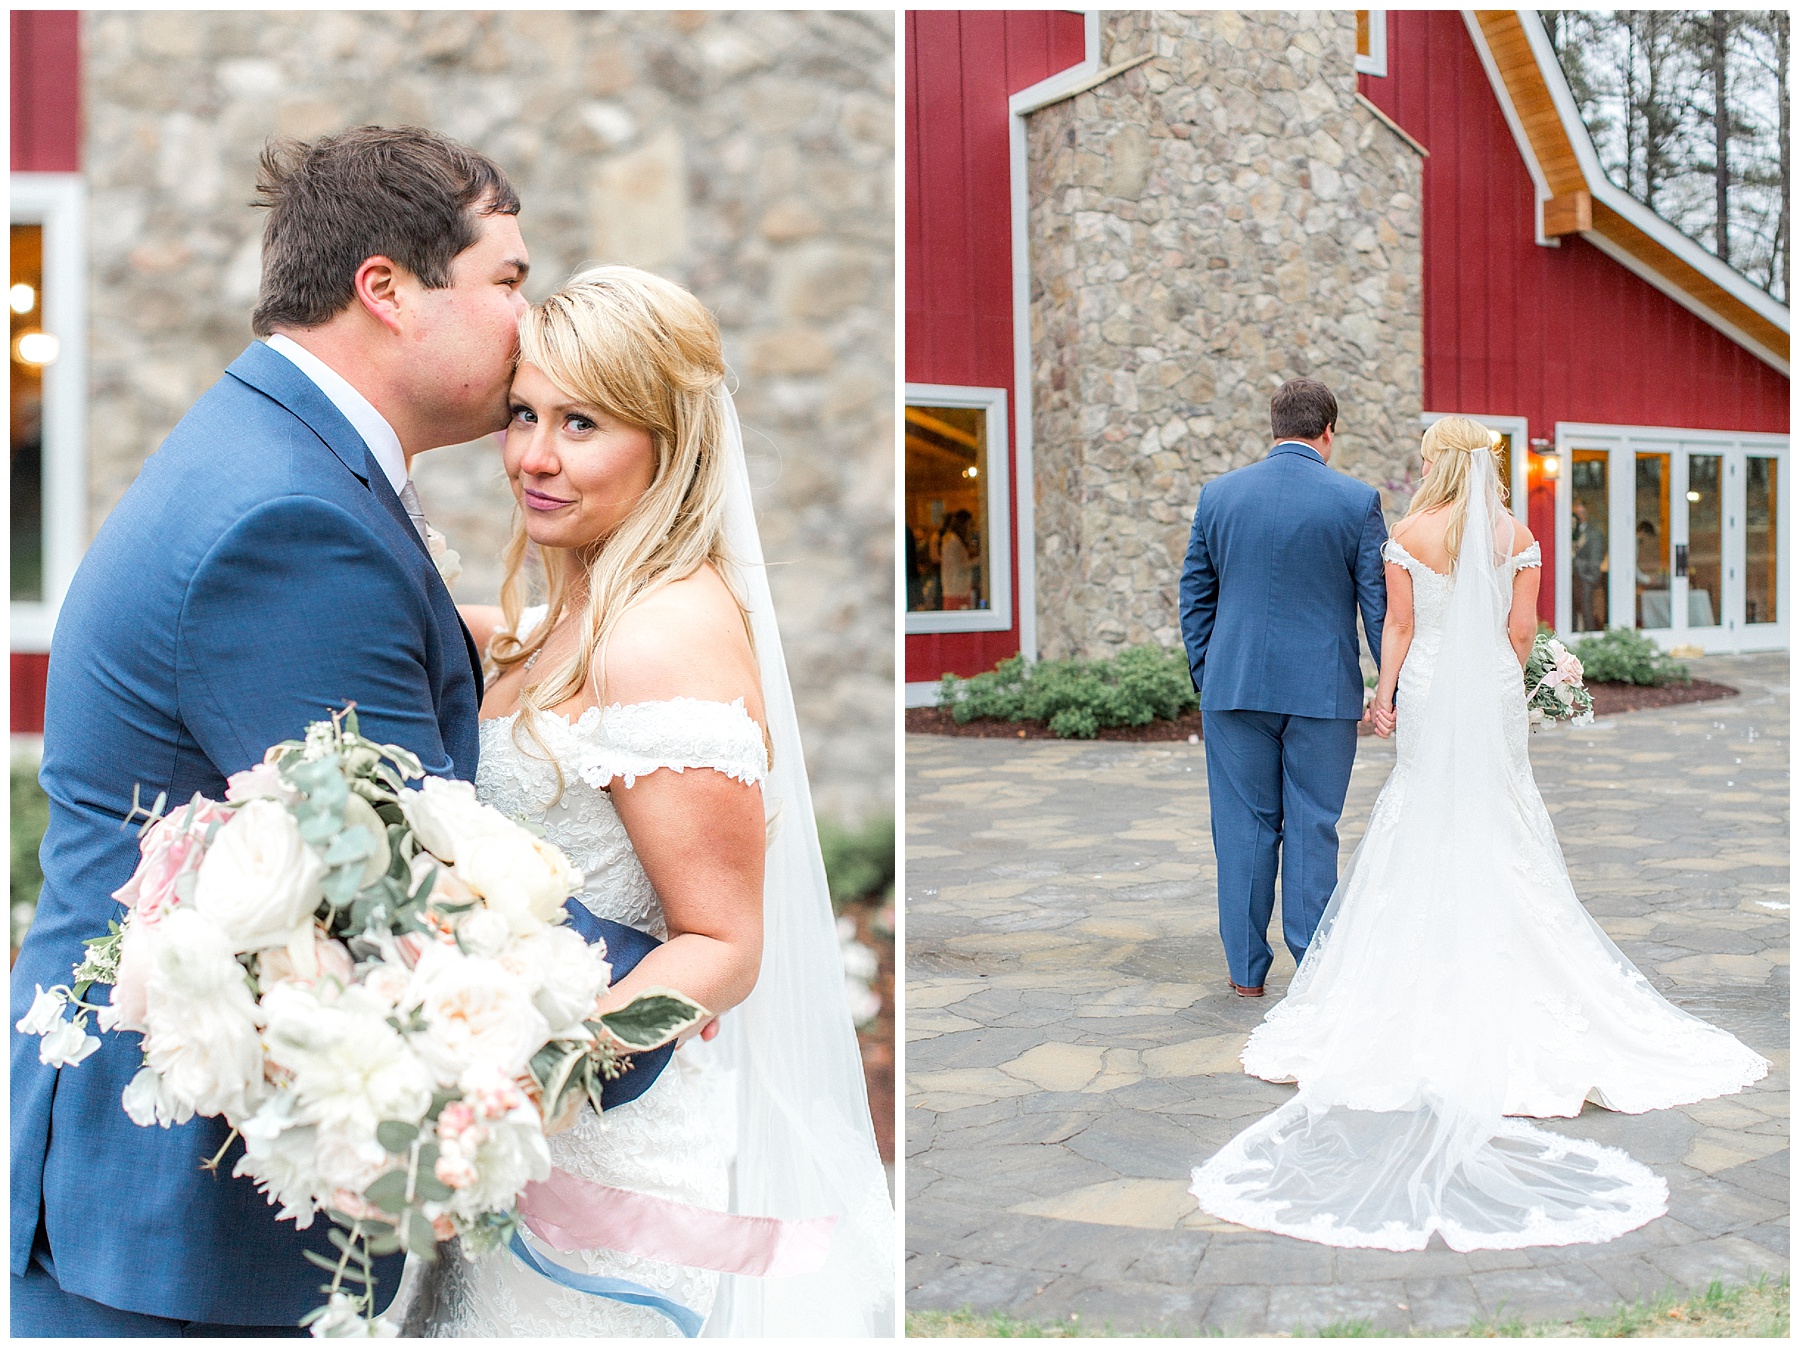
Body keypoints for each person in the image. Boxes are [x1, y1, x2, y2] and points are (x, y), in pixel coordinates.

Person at [11, 127, 526, 1334]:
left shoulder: (275, 453)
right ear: (387, 290)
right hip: (182, 1225)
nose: (528, 317)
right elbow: (406, 901)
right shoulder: (292, 519)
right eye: (506, 279)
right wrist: (693, 950)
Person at [422, 267, 893, 1336]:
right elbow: (533, 662)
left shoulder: (660, 633)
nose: (534, 457)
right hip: (523, 1159)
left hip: (605, 1165)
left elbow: (723, 945)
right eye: (524, 414)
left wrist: (527, 1082)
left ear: (666, 443)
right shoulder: (580, 611)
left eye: (582, 423)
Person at [1190, 416, 1768, 1251]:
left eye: (1425, 454)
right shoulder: (1515, 531)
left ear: (1437, 463)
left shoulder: (1410, 530)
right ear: (1490, 469)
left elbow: (1394, 627)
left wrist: (1385, 694)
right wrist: (1516, 675)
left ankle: (1301, 967)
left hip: (1425, 683)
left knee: (1417, 808)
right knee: (1503, 815)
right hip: (1491, 688)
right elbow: (1522, 631)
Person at [1178, 378, 1387, 997]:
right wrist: (1392, 687)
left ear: (1275, 428)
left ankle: (1245, 974)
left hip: (1233, 689)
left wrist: (1208, 671)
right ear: (1329, 432)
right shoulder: (1356, 500)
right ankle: (1314, 969)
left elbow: (1196, 595)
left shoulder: (1219, 495)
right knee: (1312, 826)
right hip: (1322, 694)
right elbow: (1377, 607)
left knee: (1242, 830)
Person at [938, 510, 977, 609]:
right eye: (970, 524)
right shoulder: (953, 541)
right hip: (956, 589)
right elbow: (960, 566)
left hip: (955, 588)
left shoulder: (951, 539)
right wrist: (979, 560)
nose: (971, 528)